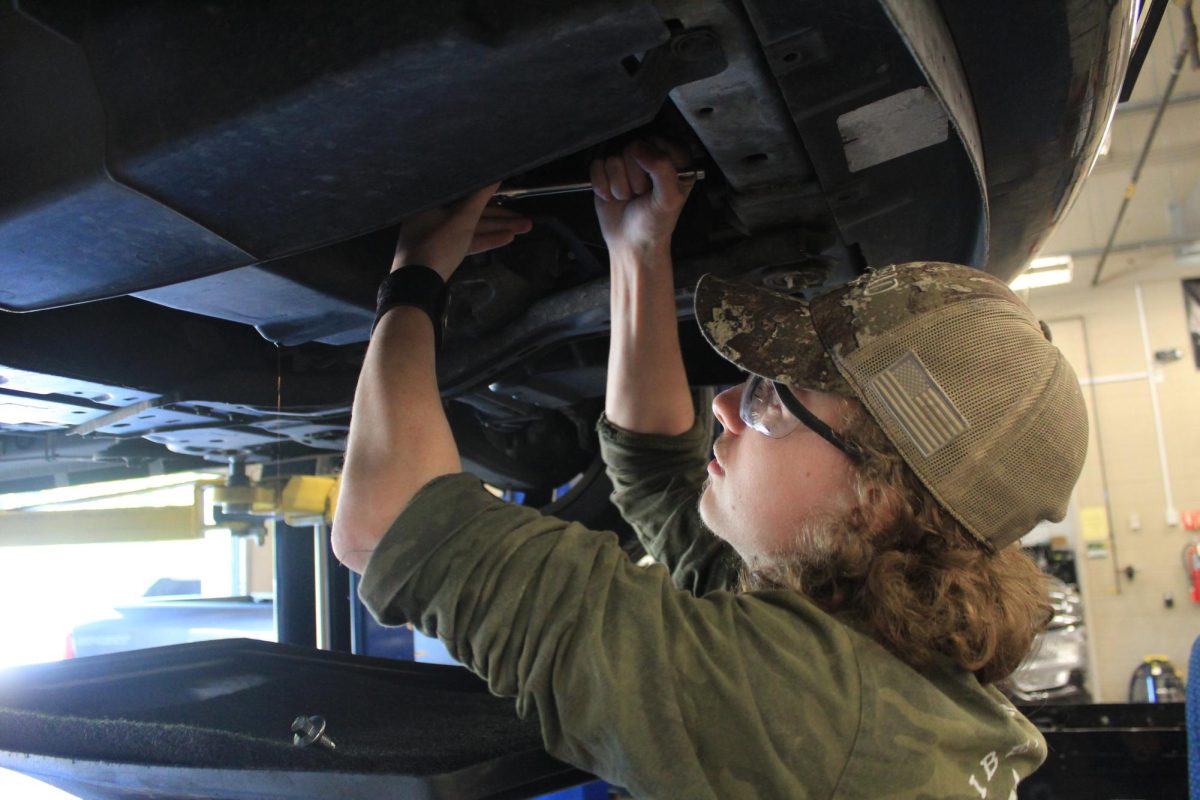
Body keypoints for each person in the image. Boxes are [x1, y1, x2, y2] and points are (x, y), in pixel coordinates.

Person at [332, 139, 1088, 799]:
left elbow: (391, 525)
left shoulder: (804, 713)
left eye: (773, 405)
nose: (725, 406)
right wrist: (638, 248)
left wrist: (414, 276)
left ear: (878, 500)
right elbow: (659, 478)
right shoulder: (867, 644)